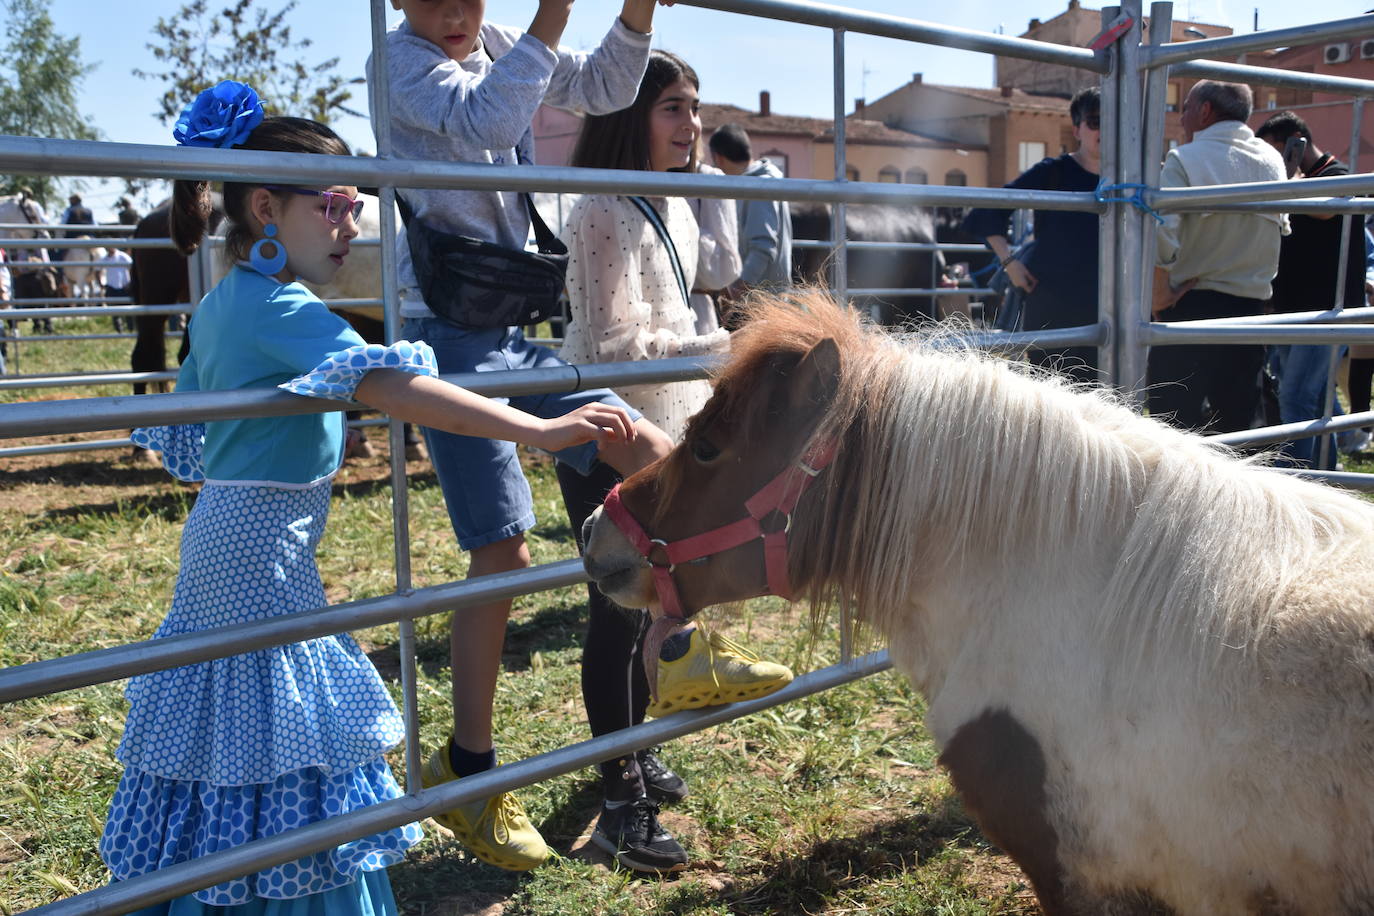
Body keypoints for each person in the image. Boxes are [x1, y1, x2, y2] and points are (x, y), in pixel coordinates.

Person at [100, 81, 640, 915]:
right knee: (277, 734)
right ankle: (279, 895)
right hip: (259, 558)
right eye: (336, 205)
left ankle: (223, 885)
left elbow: (201, 440)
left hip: (232, 540)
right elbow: (395, 384)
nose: (352, 224)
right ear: (265, 211)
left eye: (356, 203)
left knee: (237, 735)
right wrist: (536, 432)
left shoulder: (227, 302)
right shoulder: (277, 309)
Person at [369, 0, 703, 873]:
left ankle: (685, 645)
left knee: (646, 452)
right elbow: (486, 117)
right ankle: (470, 769)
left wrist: (632, 15)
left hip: (516, 319)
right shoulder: (400, 64)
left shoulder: (502, 44)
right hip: (451, 333)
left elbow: (600, 85)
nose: (451, 11)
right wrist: (551, 17)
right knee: (504, 551)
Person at [559, 49, 793, 874]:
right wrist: (723, 348)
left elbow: (712, 283)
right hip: (611, 432)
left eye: (694, 109)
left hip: (668, 432)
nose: (690, 125)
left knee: (657, 603)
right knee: (616, 614)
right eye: (672, 109)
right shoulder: (597, 211)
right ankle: (620, 802)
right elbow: (616, 346)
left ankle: (633, 753)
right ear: (629, 115)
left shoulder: (671, 202)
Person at [1148, 80, 1288, 434]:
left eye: (1186, 107)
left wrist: (1159, 294)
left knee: (1174, 426)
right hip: (1253, 311)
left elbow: (1163, 235)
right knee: (1240, 425)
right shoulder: (1272, 160)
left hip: (1194, 306)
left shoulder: (1185, 158)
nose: (1181, 117)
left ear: (1205, 111)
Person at [962, 88, 1101, 384]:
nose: (1104, 130)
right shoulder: (1053, 172)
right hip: (1053, 306)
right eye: (1094, 121)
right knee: (1051, 406)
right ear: (1077, 129)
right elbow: (984, 212)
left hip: (1106, 307)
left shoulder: (1129, 178)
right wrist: (1010, 263)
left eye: (1112, 122)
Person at [1255, 111, 1368, 466]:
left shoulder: (1338, 175)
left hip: (1326, 311)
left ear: (1294, 142)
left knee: (1296, 398)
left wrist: (1287, 179)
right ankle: (1326, 471)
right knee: (1315, 401)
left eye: (1273, 150)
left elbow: (1324, 211)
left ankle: (1298, 479)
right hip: (1294, 308)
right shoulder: (1293, 181)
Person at [708, 122, 792, 321]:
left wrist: (735, 292)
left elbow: (762, 248)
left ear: (718, 158)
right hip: (766, 298)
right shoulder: (761, 182)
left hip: (761, 304)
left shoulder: (757, 187)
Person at [684, 158, 742, 335]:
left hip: (695, 316)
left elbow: (723, 270)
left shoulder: (709, 178)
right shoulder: (628, 172)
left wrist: (682, 225)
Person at [104, 246, 133, 332]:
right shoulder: (105, 258)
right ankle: (119, 331)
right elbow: (97, 269)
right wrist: (101, 284)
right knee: (115, 312)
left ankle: (130, 329)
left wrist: (130, 282)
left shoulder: (123, 256)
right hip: (112, 287)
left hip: (124, 287)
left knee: (128, 311)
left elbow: (132, 268)